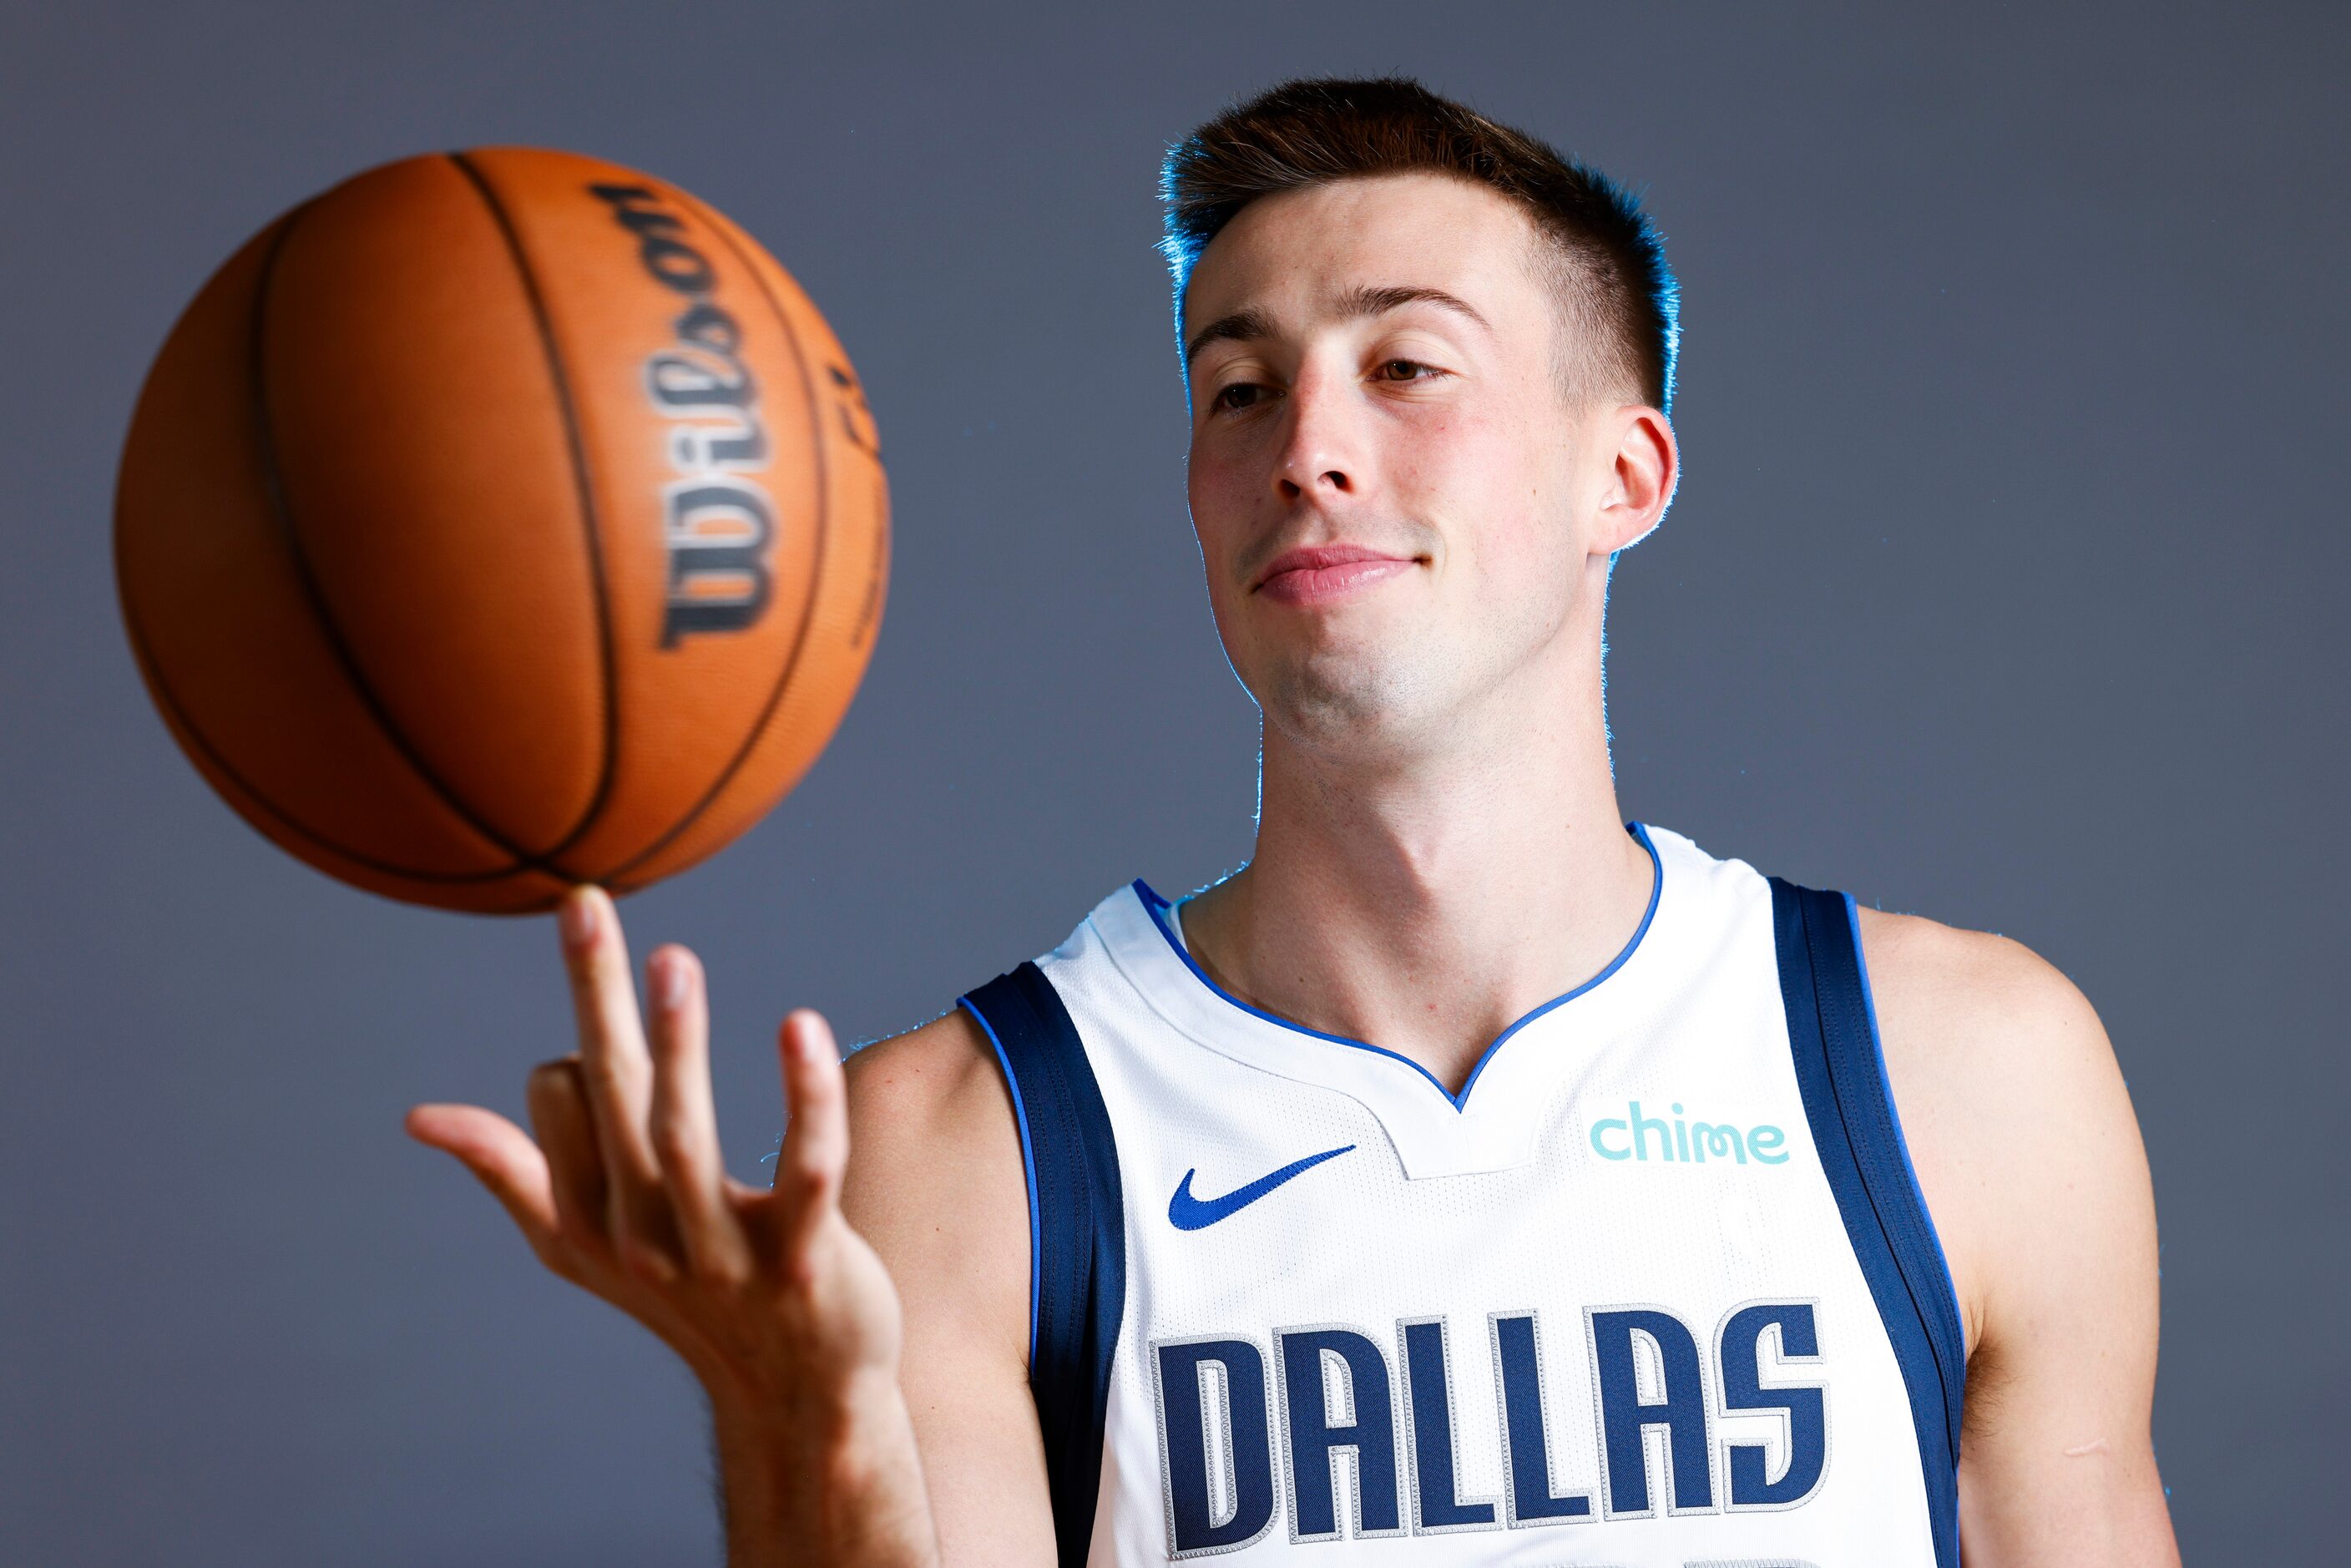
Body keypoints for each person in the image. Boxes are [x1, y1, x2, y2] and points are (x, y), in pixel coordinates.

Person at [407, 78, 2181, 1567]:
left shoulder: (1960, 1076)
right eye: (1238, 388)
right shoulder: (962, 1156)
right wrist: (797, 1438)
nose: (1306, 448)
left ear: (1620, 476)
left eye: (1407, 367)